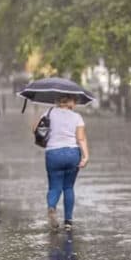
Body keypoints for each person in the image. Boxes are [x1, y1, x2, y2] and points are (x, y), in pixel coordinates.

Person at [35, 95, 89, 230]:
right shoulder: (77, 117)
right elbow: (81, 139)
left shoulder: (48, 113)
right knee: (68, 187)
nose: (75, 103)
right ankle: (68, 222)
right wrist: (85, 156)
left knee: (55, 187)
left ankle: (52, 207)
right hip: (72, 153)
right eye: (74, 101)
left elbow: (36, 130)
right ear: (70, 101)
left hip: (53, 154)